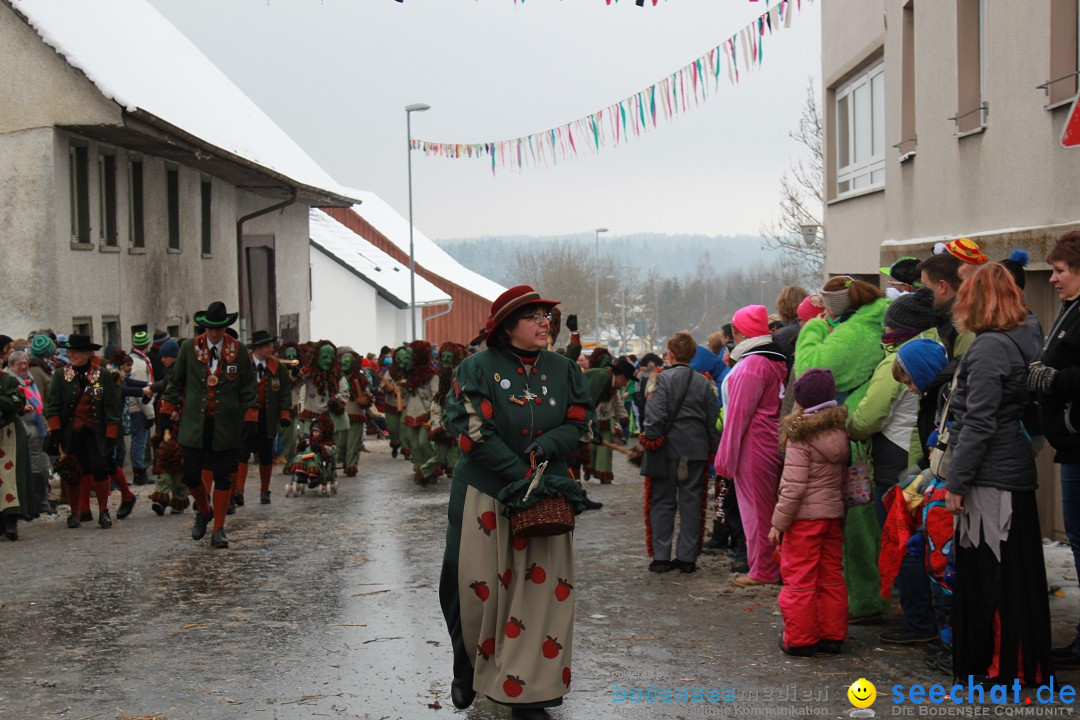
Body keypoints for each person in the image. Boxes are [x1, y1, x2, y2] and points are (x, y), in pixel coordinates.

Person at [440, 285, 595, 719]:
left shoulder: (564, 370)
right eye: (534, 316)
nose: (545, 323)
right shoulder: (477, 368)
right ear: (508, 326)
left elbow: (582, 423)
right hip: (485, 495)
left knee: (539, 594)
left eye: (547, 316)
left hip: (545, 497)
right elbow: (472, 433)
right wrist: (521, 475)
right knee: (469, 587)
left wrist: (548, 445)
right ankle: (467, 665)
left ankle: (526, 693)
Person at [945, 263, 1051, 685]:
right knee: (1011, 575)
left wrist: (957, 481)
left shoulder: (990, 347)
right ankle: (1010, 666)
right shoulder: (1020, 340)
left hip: (993, 478)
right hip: (1007, 470)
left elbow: (979, 421)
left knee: (998, 578)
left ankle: (1004, 668)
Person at [794, 276, 890, 621]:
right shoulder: (871, 321)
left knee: (855, 525)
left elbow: (809, 371)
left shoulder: (856, 332)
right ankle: (859, 597)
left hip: (851, 441)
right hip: (859, 439)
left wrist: (811, 332)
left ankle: (862, 600)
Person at [159, 302, 258, 549]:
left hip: (226, 424)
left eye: (219, 329)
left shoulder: (239, 351)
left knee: (224, 476)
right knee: (191, 473)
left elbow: (248, 389)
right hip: (195, 422)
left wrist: (250, 420)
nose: (214, 333)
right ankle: (205, 510)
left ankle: (219, 530)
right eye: (210, 329)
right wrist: (165, 411)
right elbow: (175, 383)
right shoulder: (189, 349)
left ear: (225, 327)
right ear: (204, 327)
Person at [770, 369, 849, 656]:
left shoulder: (801, 436)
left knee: (799, 579)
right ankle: (832, 635)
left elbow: (793, 487)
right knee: (830, 575)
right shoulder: (839, 431)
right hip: (831, 516)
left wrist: (779, 522)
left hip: (803, 519)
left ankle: (801, 639)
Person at [1028, 230, 1080, 667]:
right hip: (1070, 445)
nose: (1052, 279)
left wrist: (1054, 380)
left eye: (1060, 271)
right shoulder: (1071, 308)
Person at [715, 305, 787, 587]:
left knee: (756, 510)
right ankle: (770, 565)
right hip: (767, 440)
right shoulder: (773, 359)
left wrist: (725, 459)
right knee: (765, 507)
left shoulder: (752, 365)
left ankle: (763, 569)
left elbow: (737, 416)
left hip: (753, 444)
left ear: (741, 331)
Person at [641, 332, 719, 574]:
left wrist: (650, 440)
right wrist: (714, 448)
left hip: (666, 451)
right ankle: (687, 558)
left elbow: (654, 418)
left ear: (670, 354)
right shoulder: (705, 382)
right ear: (694, 355)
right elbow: (712, 420)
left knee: (662, 503)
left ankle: (661, 557)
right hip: (695, 451)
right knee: (692, 503)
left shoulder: (660, 380)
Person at [44, 334, 122, 529]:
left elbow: (111, 407)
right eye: (70, 351)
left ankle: (104, 511)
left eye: (76, 352)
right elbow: (52, 405)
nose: (72, 355)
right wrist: (55, 431)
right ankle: (74, 512)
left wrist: (111, 435)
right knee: (71, 471)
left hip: (95, 432)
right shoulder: (61, 375)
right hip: (71, 432)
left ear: (88, 354)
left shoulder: (101, 374)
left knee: (99, 468)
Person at [238, 331, 292, 506]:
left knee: (266, 454)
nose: (272, 348)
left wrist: (284, 413)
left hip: (267, 417)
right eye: (269, 346)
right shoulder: (243, 364)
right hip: (244, 417)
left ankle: (265, 491)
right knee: (242, 453)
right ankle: (238, 490)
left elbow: (284, 392)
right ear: (259, 348)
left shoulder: (277, 367)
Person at [6, 351, 53, 517]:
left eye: (25, 363)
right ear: (11, 366)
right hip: (24, 428)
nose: (24, 366)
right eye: (20, 364)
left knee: (40, 464)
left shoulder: (29, 379)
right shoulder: (11, 381)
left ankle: (39, 502)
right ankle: (34, 504)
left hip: (36, 425)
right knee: (31, 466)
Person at [583, 349, 631, 484]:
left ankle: (604, 475)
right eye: (626, 380)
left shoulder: (612, 386)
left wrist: (623, 418)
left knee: (605, 450)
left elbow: (618, 404)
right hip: (593, 420)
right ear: (621, 377)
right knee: (591, 449)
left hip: (606, 421)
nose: (626, 384)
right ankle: (588, 470)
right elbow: (590, 403)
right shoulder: (601, 378)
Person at [128, 330, 156, 485]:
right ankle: (139, 472)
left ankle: (139, 470)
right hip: (139, 408)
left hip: (137, 407)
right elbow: (141, 394)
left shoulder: (136, 360)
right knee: (140, 440)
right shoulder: (138, 364)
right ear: (147, 345)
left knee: (138, 439)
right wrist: (150, 414)